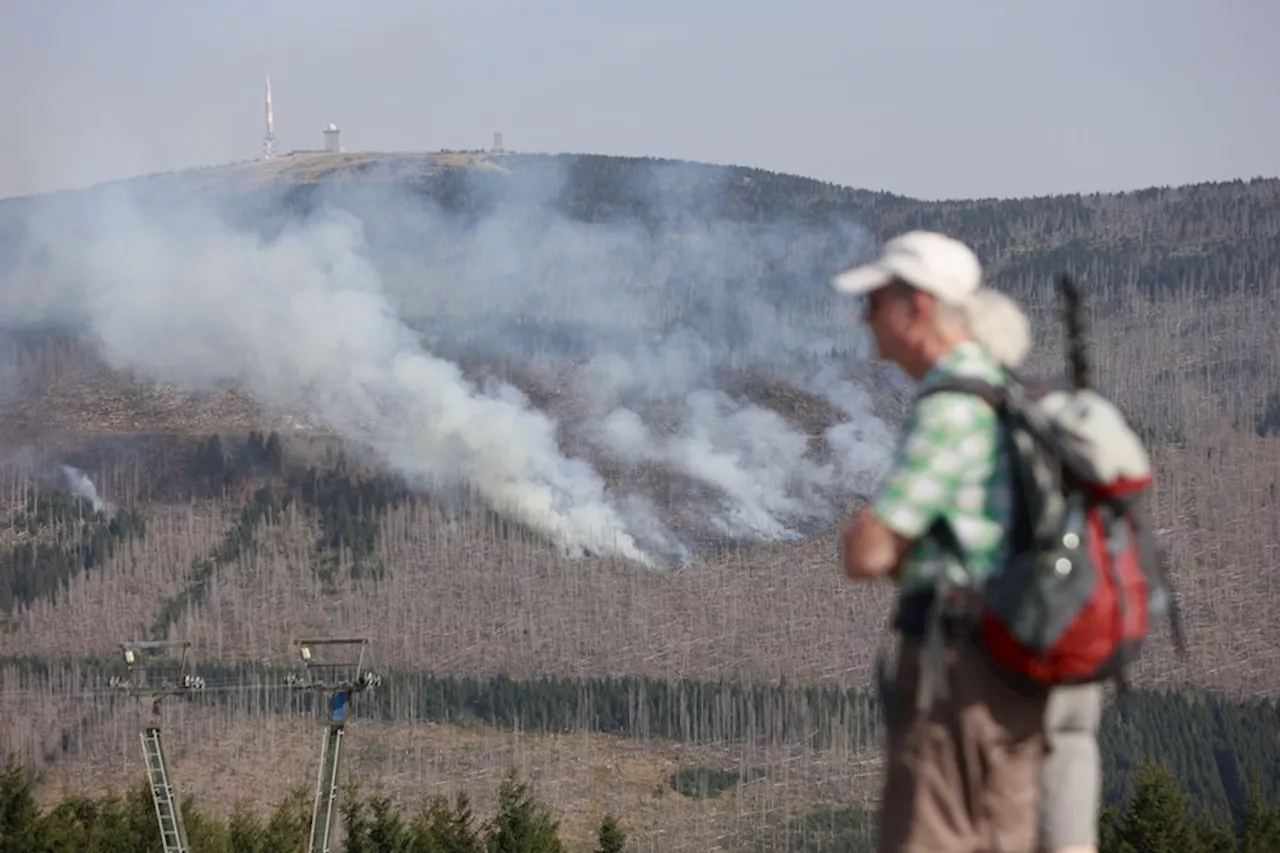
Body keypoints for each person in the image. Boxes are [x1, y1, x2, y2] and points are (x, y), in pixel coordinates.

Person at [833, 230, 1051, 853]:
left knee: (927, 836)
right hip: (1014, 656)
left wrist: (871, 536)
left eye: (875, 302)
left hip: (957, 663)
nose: (865, 317)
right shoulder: (1002, 389)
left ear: (919, 307)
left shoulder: (950, 404)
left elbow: (868, 553)